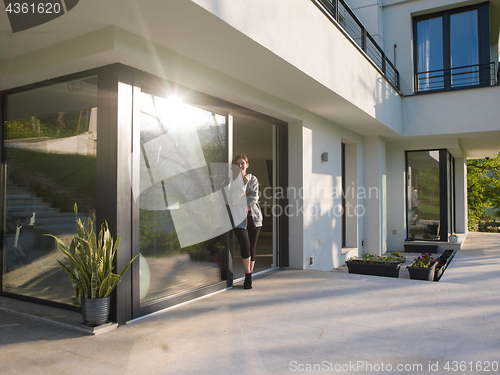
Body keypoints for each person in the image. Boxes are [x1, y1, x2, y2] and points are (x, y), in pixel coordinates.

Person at [232, 154, 263, 289]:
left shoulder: (253, 179)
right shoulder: (232, 181)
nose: (240, 166)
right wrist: (243, 183)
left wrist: (238, 201)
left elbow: (254, 199)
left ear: (247, 165)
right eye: (238, 163)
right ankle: (248, 273)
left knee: (252, 247)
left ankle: (248, 276)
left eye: (242, 163)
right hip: (239, 218)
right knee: (245, 245)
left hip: (254, 217)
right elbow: (232, 198)